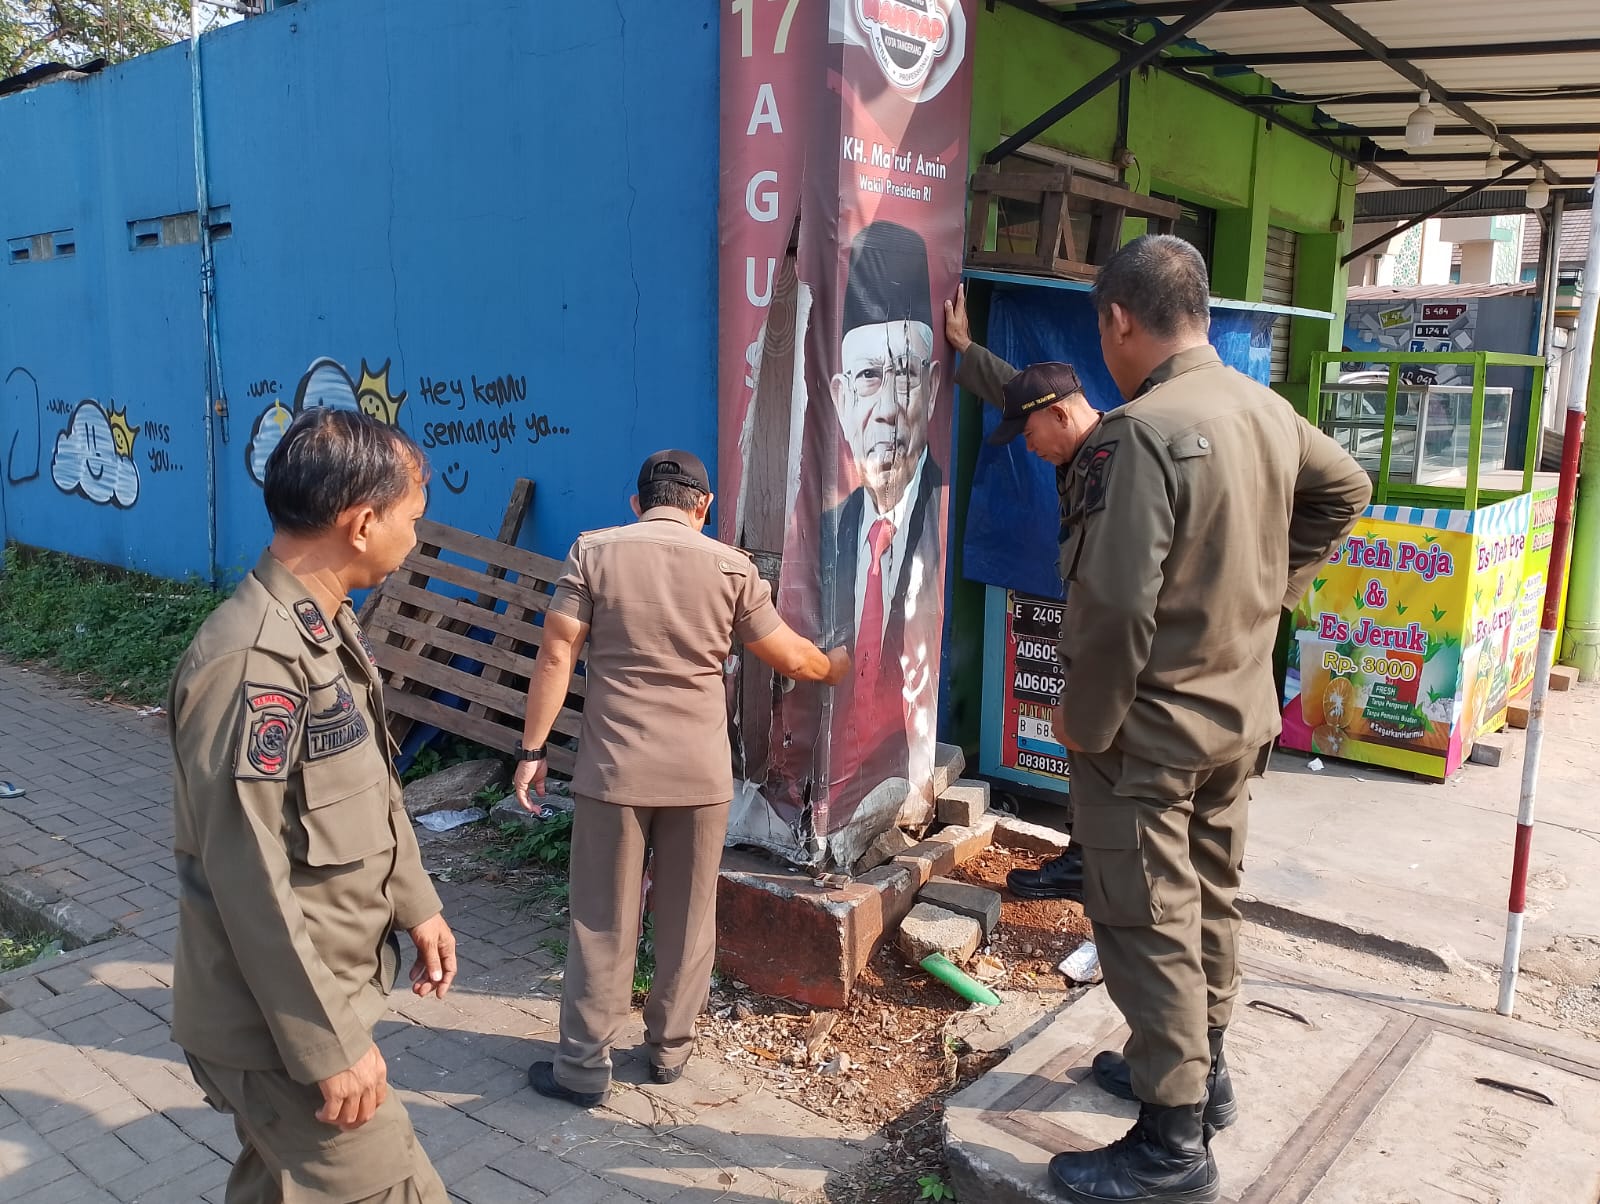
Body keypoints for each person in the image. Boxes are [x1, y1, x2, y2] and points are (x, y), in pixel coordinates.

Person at [1017, 235, 1371, 1204]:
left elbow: (1114, 603)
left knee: (1145, 915)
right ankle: (1199, 1076)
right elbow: (1348, 487)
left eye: (1104, 330)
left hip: (1151, 728)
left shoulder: (1138, 430)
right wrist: (1270, 591)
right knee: (1209, 896)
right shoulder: (1266, 409)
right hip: (1236, 713)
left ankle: (1170, 1143)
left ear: (1119, 321)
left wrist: (1084, 724)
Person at [169, 408, 457, 1204]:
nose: (415, 535)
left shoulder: (320, 629)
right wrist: (328, 1046)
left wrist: (415, 901)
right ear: (361, 523)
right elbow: (245, 870)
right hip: (280, 1027)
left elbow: (369, 783)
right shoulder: (253, 660)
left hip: (315, 998)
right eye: (411, 519)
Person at [513, 450, 849, 1106]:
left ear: (637, 503)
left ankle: (583, 1068)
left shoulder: (593, 552)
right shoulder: (731, 566)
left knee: (602, 920)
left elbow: (557, 651)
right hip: (699, 777)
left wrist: (532, 749)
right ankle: (668, 1054)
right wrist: (837, 666)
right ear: (705, 506)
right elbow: (790, 656)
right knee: (691, 919)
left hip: (614, 770)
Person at [942, 282, 1089, 903]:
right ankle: (1083, 865)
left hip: (1134, 648)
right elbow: (1019, 395)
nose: (1026, 448)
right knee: (1090, 761)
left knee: (1109, 762)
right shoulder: (1074, 447)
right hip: (1093, 635)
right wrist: (966, 349)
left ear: (1060, 416)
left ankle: (1111, 893)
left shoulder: (1129, 455)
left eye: (1029, 434)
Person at [821, 219, 947, 826]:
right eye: (871, 377)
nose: (889, 409)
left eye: (904, 377)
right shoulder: (823, 534)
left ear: (932, 386)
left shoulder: (942, 517)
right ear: (842, 396)